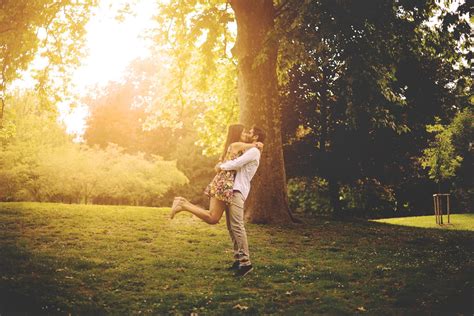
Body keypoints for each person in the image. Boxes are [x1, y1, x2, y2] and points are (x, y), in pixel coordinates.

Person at [170, 124, 262, 225]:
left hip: (223, 181)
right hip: (224, 182)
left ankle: (183, 204)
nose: (246, 134)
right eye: (243, 132)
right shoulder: (236, 145)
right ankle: (183, 203)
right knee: (213, 217)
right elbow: (254, 146)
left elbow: (218, 166)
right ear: (237, 133)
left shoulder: (232, 146)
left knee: (213, 217)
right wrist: (257, 144)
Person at [215, 125, 266, 277]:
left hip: (238, 190)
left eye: (250, 132)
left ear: (256, 137)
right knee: (231, 226)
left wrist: (220, 166)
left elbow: (236, 164)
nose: (247, 133)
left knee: (237, 226)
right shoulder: (250, 149)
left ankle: (246, 263)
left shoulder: (254, 151)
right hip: (233, 189)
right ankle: (238, 259)